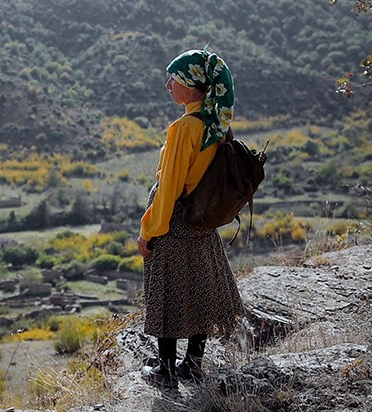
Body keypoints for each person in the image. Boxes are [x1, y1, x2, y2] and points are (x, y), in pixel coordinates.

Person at [136, 48, 245, 389]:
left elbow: (169, 187)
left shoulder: (184, 127)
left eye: (173, 79)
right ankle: (193, 365)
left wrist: (149, 230)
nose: (168, 86)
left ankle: (165, 372)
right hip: (202, 222)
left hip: (174, 222)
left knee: (167, 292)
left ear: (190, 84)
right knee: (200, 289)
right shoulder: (217, 124)